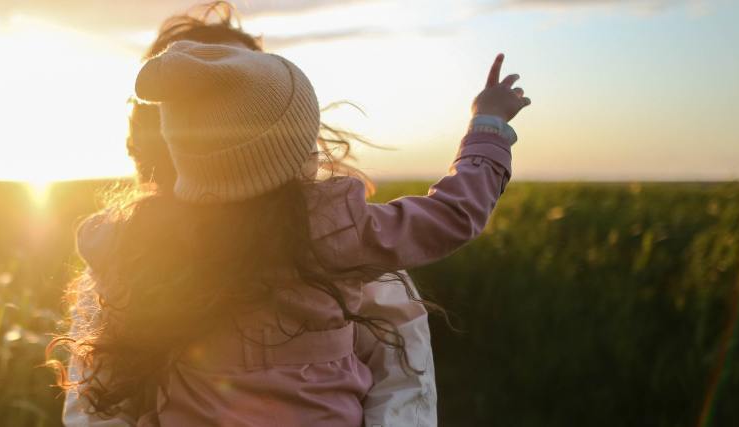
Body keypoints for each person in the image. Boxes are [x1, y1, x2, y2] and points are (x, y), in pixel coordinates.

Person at [50, 4, 529, 426]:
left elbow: (96, 400)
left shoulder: (134, 245)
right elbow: (453, 215)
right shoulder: (341, 231)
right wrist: (487, 128)